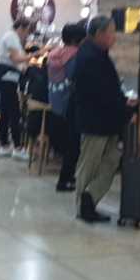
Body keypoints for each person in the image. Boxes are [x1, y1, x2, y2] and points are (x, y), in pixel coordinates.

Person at [72, 15, 137, 223]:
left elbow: (108, 90)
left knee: (111, 160)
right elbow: (100, 93)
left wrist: (123, 102)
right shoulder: (90, 57)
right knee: (89, 163)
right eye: (111, 32)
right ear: (99, 34)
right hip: (94, 120)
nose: (114, 37)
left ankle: (89, 198)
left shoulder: (98, 54)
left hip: (106, 120)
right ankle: (82, 206)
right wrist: (124, 109)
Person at [47, 22, 86, 192]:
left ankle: (67, 178)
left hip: (55, 101)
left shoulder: (54, 54)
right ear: (78, 39)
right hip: (69, 103)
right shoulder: (74, 56)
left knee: (69, 144)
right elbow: (75, 78)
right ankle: (65, 180)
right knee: (73, 144)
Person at [0, 17, 36, 161]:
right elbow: (17, 59)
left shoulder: (14, 39)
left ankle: (4, 145)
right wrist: (37, 53)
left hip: (8, 76)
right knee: (14, 112)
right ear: (21, 28)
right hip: (6, 77)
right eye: (27, 31)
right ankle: (17, 148)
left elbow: (19, 61)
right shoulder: (11, 37)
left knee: (5, 112)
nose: (27, 35)